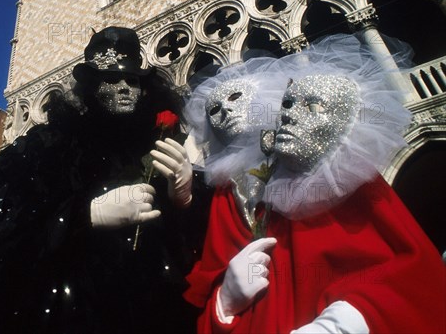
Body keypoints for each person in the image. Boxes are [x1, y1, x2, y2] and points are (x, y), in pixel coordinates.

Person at [0, 26, 210, 334]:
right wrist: (83, 216)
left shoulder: (157, 148)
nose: (124, 87)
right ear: (92, 87)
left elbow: (191, 251)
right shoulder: (46, 146)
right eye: (111, 79)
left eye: (132, 80)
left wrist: (185, 197)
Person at [184, 34, 446, 333]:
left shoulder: (333, 167)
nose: (227, 112)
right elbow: (211, 281)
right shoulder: (227, 196)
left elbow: (409, 269)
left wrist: (342, 324)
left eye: (235, 98)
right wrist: (225, 301)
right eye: (214, 110)